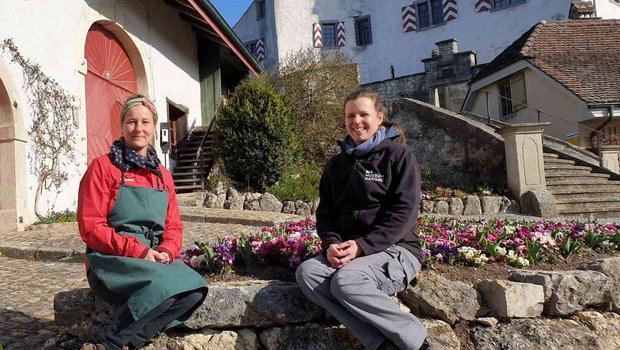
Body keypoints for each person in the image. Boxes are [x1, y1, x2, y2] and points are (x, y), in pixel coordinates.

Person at [295, 89, 427, 349]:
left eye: (363, 114)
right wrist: (331, 244)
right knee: (308, 273)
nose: (356, 121)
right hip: (351, 252)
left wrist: (362, 246)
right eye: (350, 116)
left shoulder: (398, 157)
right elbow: (326, 214)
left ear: (379, 118)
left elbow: (404, 213)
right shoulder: (336, 165)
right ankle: (380, 343)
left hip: (396, 249)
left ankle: (415, 339)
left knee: (347, 281)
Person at [77, 95, 208, 350]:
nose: (139, 128)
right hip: (109, 262)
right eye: (131, 122)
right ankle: (109, 344)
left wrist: (167, 251)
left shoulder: (163, 176)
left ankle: (133, 341)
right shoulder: (103, 168)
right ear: (122, 126)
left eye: (145, 122)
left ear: (154, 126)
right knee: (164, 286)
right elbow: (91, 228)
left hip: (152, 259)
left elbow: (173, 225)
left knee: (195, 289)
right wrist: (139, 251)